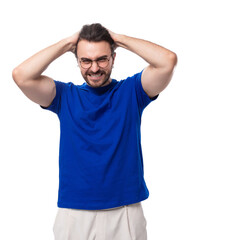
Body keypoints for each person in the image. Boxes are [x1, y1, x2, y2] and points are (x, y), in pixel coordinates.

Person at [12, 23, 177, 240]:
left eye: (102, 59)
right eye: (86, 60)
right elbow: (21, 76)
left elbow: (167, 62)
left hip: (125, 210)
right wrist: (68, 43)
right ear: (77, 61)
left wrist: (118, 38)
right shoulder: (64, 96)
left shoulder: (132, 91)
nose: (94, 68)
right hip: (74, 213)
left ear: (113, 58)